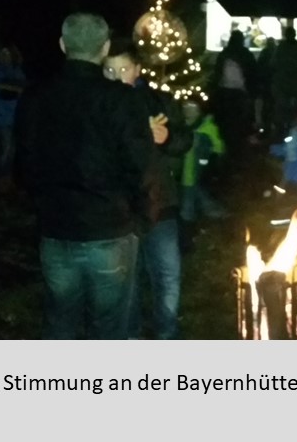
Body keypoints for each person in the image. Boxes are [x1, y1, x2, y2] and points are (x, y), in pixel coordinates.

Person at [15, 12, 152, 340]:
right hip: (109, 228)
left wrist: (42, 202)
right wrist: (140, 215)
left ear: (63, 45)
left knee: (60, 321)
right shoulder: (121, 99)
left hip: (56, 228)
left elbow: (25, 161)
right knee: (109, 327)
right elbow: (140, 164)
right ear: (105, 48)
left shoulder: (35, 97)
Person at [103, 36, 192, 340]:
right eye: (109, 71)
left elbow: (184, 139)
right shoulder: (100, 104)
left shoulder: (158, 101)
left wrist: (167, 138)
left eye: (123, 69)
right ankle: (131, 338)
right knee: (127, 281)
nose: (117, 78)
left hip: (160, 201)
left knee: (168, 276)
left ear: (138, 69)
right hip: (121, 207)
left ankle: (167, 335)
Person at [210, 29, 258, 165]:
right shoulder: (246, 54)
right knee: (240, 125)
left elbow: (217, 74)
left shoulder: (224, 54)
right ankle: (239, 155)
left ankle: (227, 154)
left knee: (227, 124)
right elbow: (253, 73)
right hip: (240, 94)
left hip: (225, 94)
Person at [179, 98, 229, 227]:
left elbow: (218, 147)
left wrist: (210, 160)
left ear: (199, 110)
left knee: (190, 198)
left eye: (192, 108)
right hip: (184, 170)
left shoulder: (207, 127)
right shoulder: (181, 126)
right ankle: (212, 211)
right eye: (186, 107)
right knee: (196, 191)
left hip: (198, 169)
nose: (189, 111)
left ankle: (188, 225)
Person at [0, 45, 26, 193]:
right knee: (4, 151)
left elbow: (24, 93)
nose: (4, 56)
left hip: (16, 119)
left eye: (7, 53)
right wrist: (4, 112)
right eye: (2, 54)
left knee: (12, 152)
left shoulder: (18, 72)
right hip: (1, 120)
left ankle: (7, 182)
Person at [271, 25, 297, 141]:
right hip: (294, 84)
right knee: (293, 110)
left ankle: (281, 133)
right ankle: (292, 133)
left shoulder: (280, 47)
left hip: (281, 84)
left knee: (281, 110)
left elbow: (273, 64)